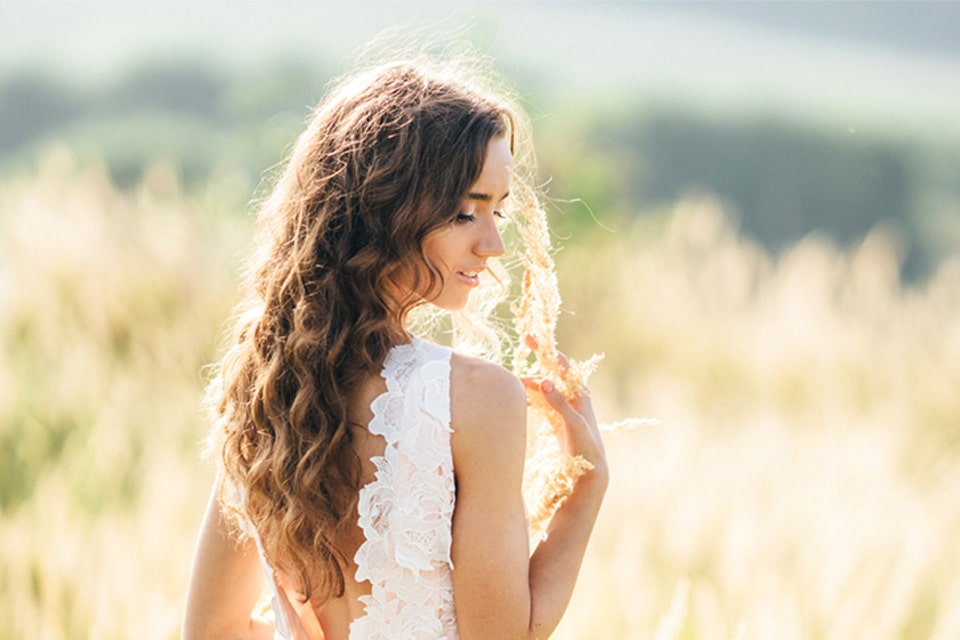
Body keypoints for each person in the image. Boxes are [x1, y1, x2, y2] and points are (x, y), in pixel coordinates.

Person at [182, 54, 608, 640]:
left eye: (498, 212)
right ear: (385, 210)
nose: (492, 244)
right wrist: (586, 489)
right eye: (465, 212)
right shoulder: (476, 399)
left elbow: (211, 632)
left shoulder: (267, 392)